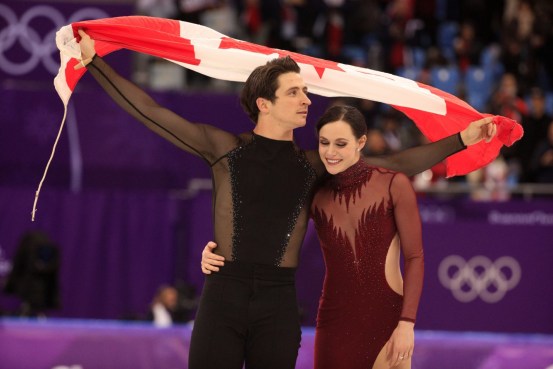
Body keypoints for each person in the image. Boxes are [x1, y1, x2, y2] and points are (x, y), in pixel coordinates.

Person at [76, 28, 495, 369]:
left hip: (278, 303)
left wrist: (461, 138)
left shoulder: (314, 166)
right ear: (264, 103)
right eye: (295, 92)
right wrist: (94, 61)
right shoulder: (224, 148)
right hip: (223, 294)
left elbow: (394, 164)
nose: (307, 100)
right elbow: (150, 111)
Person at [202, 105, 424, 369]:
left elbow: (414, 257)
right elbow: (262, 226)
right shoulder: (316, 194)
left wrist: (406, 323)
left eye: (341, 144)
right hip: (334, 322)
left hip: (387, 317)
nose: (330, 152)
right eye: (324, 143)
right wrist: (219, 251)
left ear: (361, 142)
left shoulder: (393, 184)